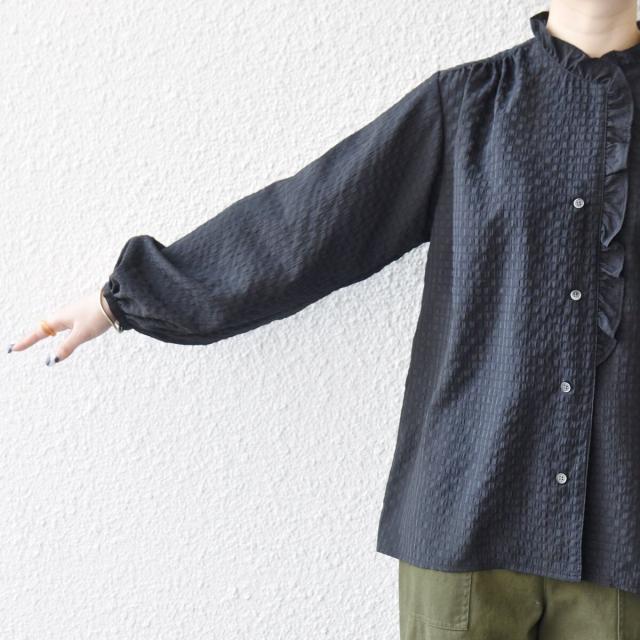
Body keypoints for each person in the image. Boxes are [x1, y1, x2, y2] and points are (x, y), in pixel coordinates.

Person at [7, 1, 640, 638]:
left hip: (624, 534)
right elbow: (310, 224)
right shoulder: (467, 104)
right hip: (467, 512)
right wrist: (124, 299)